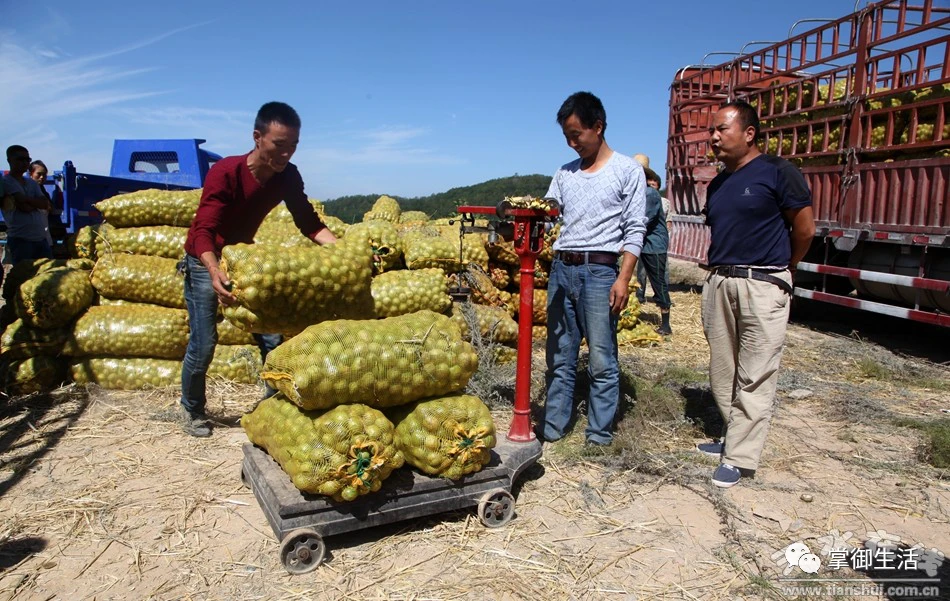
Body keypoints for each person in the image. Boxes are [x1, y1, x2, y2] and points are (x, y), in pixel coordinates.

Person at [180, 101, 338, 437]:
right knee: (204, 342)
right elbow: (204, 229)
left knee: (271, 337)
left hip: (244, 261)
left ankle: (271, 406)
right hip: (203, 258)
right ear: (257, 137)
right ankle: (191, 410)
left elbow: (308, 222)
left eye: (293, 146)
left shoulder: (287, 177)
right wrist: (212, 270)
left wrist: (345, 251)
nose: (287, 154)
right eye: (279, 146)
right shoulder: (226, 172)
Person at [696, 100, 815, 488]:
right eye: (712, 130)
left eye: (722, 129)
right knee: (723, 369)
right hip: (720, 282)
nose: (713, 137)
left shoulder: (779, 173)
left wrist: (786, 268)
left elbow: (804, 229)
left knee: (755, 373)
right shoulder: (718, 183)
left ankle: (740, 458)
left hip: (762, 283)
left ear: (749, 133)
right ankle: (734, 435)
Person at [539, 91, 647, 447]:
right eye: (566, 137)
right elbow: (547, 212)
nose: (572, 144)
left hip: (600, 273)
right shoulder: (564, 174)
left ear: (598, 127)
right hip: (562, 269)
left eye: (576, 135)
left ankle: (598, 435)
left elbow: (635, 228)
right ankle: (553, 428)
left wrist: (624, 277)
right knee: (559, 355)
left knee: (601, 357)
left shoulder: (626, 171)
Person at [634, 167, 672, 336]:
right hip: (645, 243)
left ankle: (666, 324)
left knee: (658, 281)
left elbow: (643, 220)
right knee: (641, 278)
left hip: (654, 245)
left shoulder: (650, 194)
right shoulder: (639, 193)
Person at [2, 146, 52, 265]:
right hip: (21, 240)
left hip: (41, 239)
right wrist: (36, 203)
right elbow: (24, 207)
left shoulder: (31, 183)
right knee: (24, 278)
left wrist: (26, 200)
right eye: (20, 159)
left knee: (48, 274)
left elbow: (45, 204)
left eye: (27, 160)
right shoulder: (6, 182)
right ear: (9, 160)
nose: (25, 163)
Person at [29, 160, 67, 247]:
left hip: (42, 233)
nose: (42, 177)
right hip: (31, 235)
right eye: (39, 174)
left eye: (44, 175)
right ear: (31, 174)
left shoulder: (42, 190)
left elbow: (49, 207)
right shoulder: (27, 189)